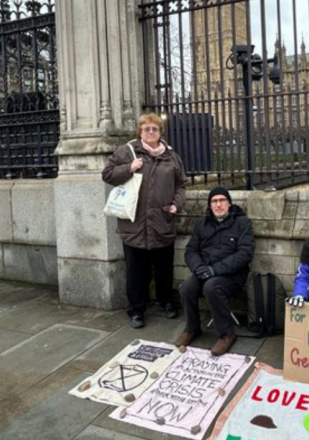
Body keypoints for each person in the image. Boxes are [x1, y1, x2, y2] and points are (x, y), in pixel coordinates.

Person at [102, 113, 186, 328]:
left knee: (164, 269)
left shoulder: (172, 156)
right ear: (140, 131)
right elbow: (107, 174)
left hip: (162, 221)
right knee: (136, 271)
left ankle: (166, 302)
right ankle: (136, 310)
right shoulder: (127, 152)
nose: (150, 132)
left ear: (161, 132)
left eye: (154, 129)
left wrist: (177, 203)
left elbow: (181, 185)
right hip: (134, 225)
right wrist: (129, 168)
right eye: (146, 129)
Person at [177, 187, 254, 356]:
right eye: (214, 201)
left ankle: (227, 334)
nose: (218, 205)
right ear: (210, 205)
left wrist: (215, 269)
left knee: (211, 287)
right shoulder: (202, 223)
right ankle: (192, 328)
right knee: (186, 288)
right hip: (205, 271)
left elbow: (245, 254)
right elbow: (191, 250)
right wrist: (198, 268)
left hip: (232, 276)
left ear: (229, 203)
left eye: (222, 200)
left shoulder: (242, 223)